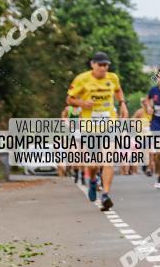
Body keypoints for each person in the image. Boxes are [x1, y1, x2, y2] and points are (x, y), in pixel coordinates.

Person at [66, 51, 129, 211]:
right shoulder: (82, 79)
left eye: (106, 65)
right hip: (89, 127)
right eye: (100, 64)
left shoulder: (112, 77)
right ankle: (93, 180)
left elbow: (118, 89)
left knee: (108, 158)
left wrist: (122, 103)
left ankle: (106, 194)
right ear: (92, 64)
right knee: (93, 164)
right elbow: (69, 99)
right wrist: (81, 103)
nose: (103, 68)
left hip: (109, 124)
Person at [133, 97, 154, 177]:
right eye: (143, 102)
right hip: (142, 135)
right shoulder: (139, 112)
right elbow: (132, 120)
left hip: (152, 134)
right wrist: (137, 126)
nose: (145, 103)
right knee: (146, 152)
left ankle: (148, 168)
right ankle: (146, 166)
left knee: (151, 152)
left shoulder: (152, 112)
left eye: (147, 102)